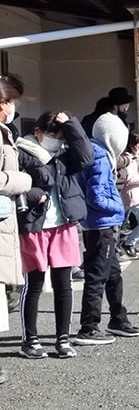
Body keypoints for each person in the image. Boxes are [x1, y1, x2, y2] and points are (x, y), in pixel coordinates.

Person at [16, 111, 93, 359]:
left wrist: (71, 124)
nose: (56, 140)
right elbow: (14, 185)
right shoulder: (22, 151)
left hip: (64, 224)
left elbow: (86, 157)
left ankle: (63, 339)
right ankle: (31, 340)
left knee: (64, 284)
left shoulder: (65, 154)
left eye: (59, 136)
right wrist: (33, 195)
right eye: (51, 135)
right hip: (34, 224)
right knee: (34, 284)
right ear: (37, 132)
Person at [73, 113, 139, 345]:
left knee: (112, 274)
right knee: (97, 275)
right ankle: (89, 327)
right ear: (113, 138)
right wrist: (118, 208)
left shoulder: (95, 152)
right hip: (102, 224)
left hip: (98, 224)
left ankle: (118, 319)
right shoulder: (101, 157)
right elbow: (96, 196)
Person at [0, 75, 33, 382]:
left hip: (5, 223)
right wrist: (22, 181)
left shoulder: (5, 132)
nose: (13, 107)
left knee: (7, 294)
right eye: (10, 101)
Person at [116, 131, 139, 258]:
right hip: (132, 195)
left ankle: (130, 243)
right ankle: (129, 243)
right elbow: (128, 179)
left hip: (137, 194)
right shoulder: (128, 159)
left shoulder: (135, 157)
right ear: (133, 145)